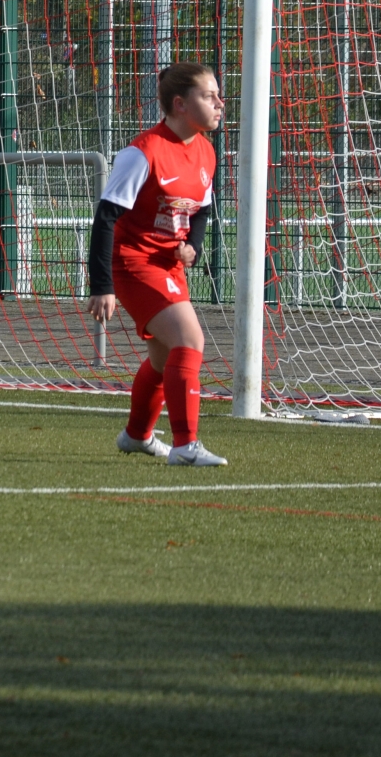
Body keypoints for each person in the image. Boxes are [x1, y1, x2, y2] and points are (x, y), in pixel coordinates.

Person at [86, 62, 229, 467]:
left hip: (169, 264)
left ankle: (137, 435)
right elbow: (106, 218)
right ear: (180, 104)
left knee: (164, 361)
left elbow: (200, 210)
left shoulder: (205, 150)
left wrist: (192, 247)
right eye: (209, 96)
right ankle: (185, 446)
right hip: (132, 262)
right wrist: (102, 286)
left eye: (219, 95)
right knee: (190, 340)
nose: (220, 103)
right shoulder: (143, 152)